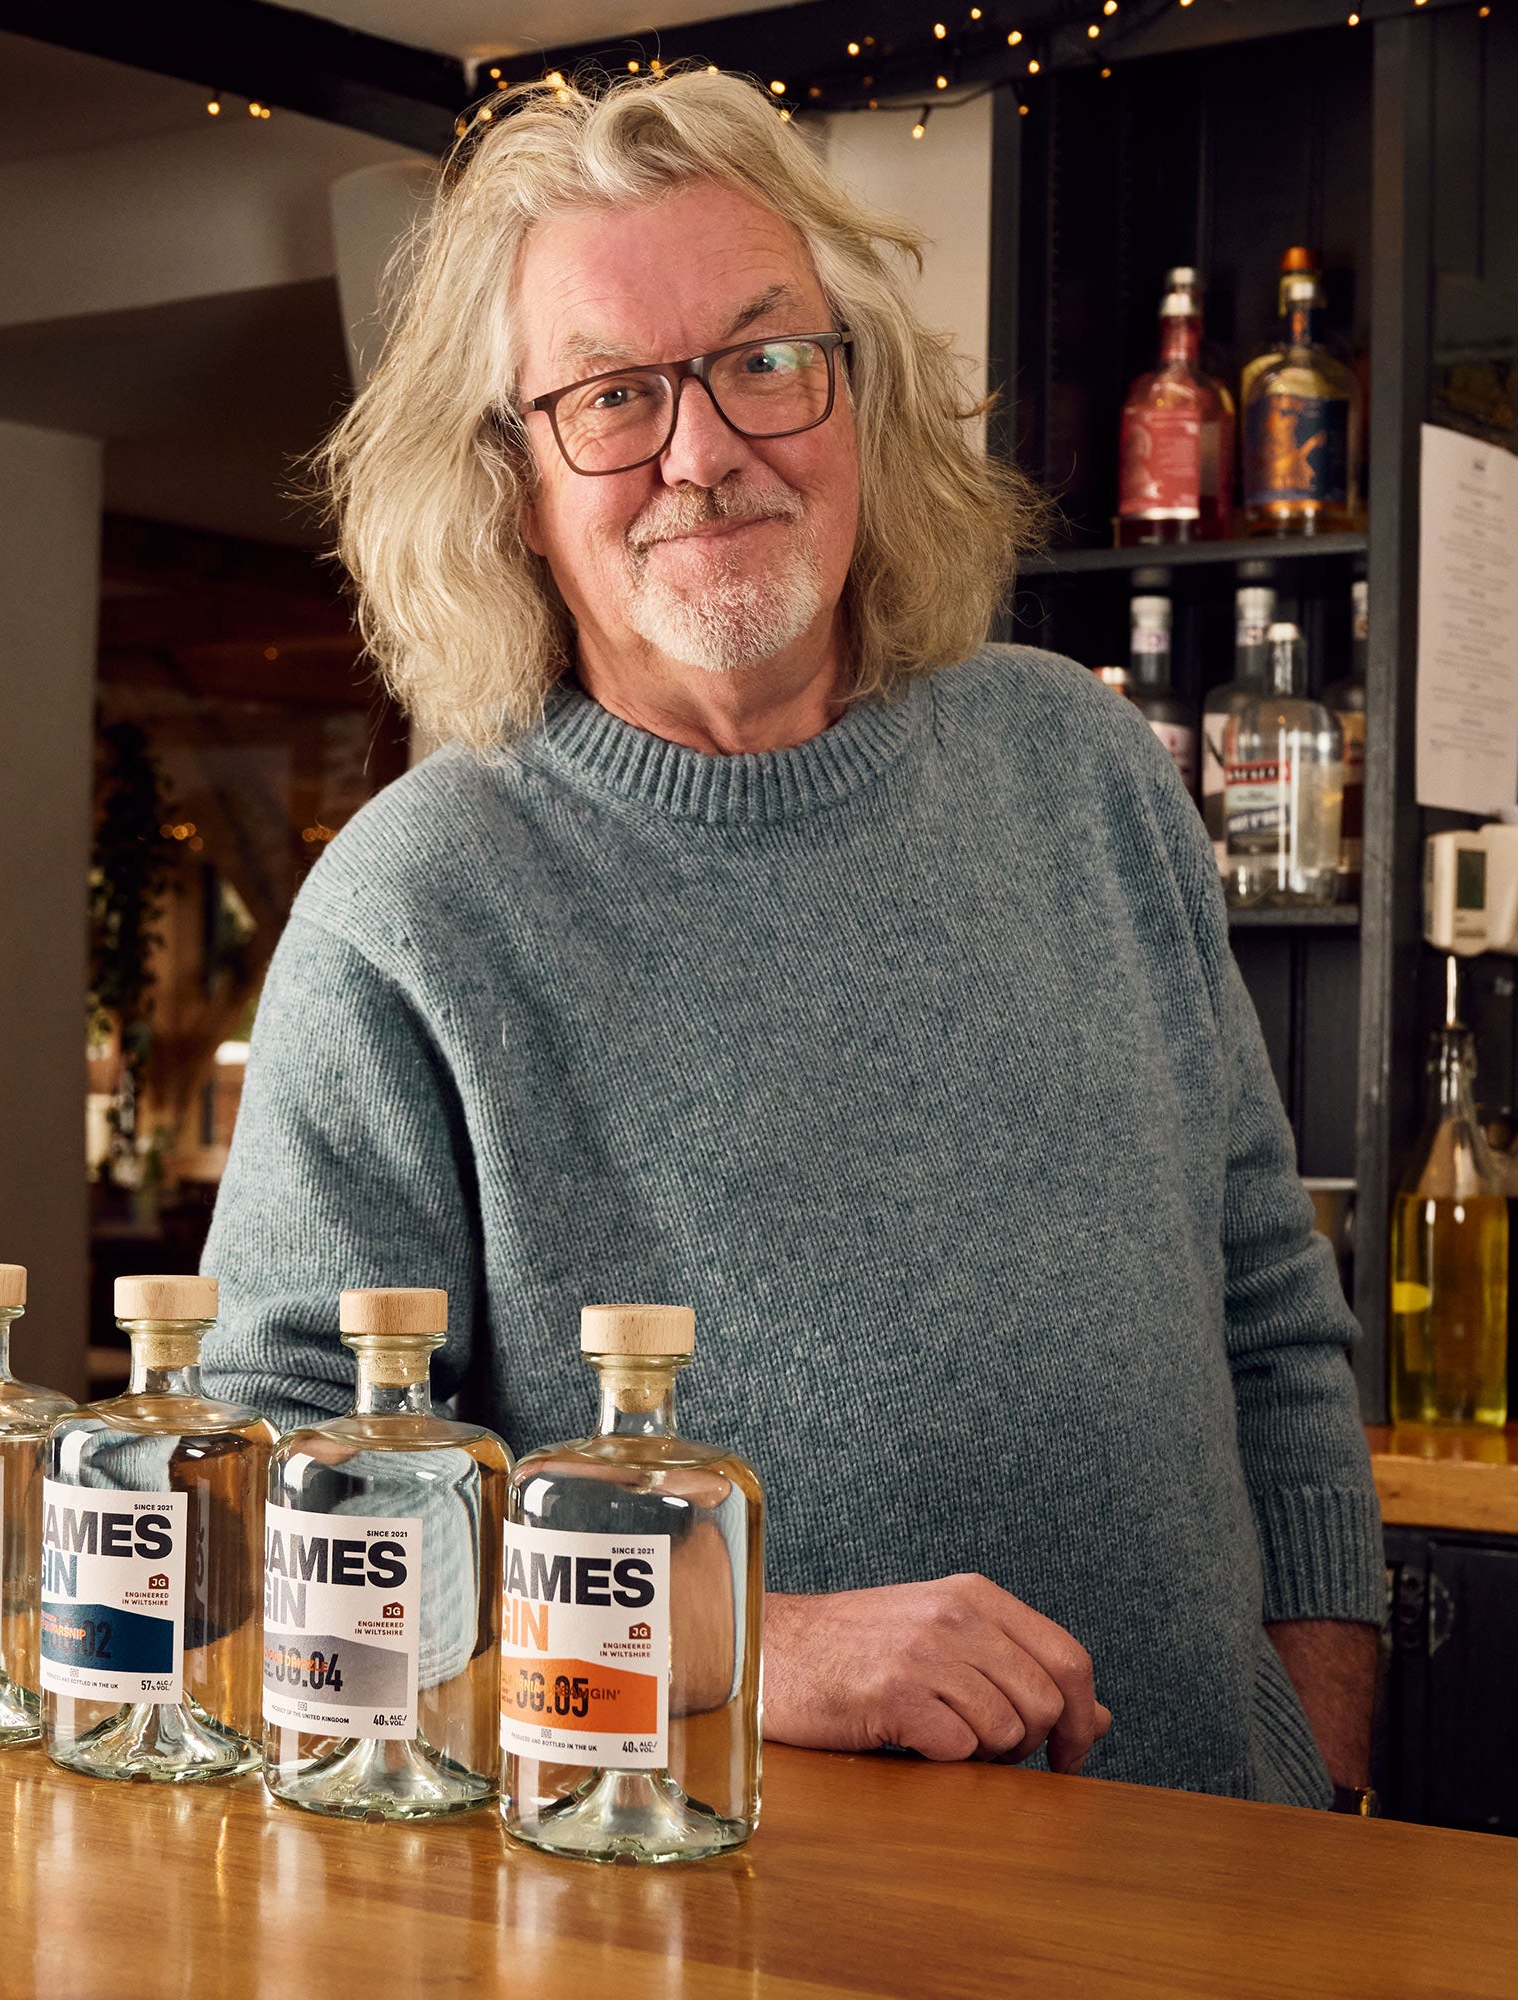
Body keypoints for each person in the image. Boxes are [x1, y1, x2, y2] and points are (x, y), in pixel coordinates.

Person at [201, 68, 1384, 1807]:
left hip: (1218, 1876)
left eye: (765, 360)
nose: (706, 450)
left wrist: (1318, 1744)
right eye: (611, 397)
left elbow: (1272, 1314)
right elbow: (278, 1509)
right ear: (510, 483)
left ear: (861, 401)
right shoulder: (416, 904)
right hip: (725, 1911)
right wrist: (744, 1631)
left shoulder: (1084, 770)